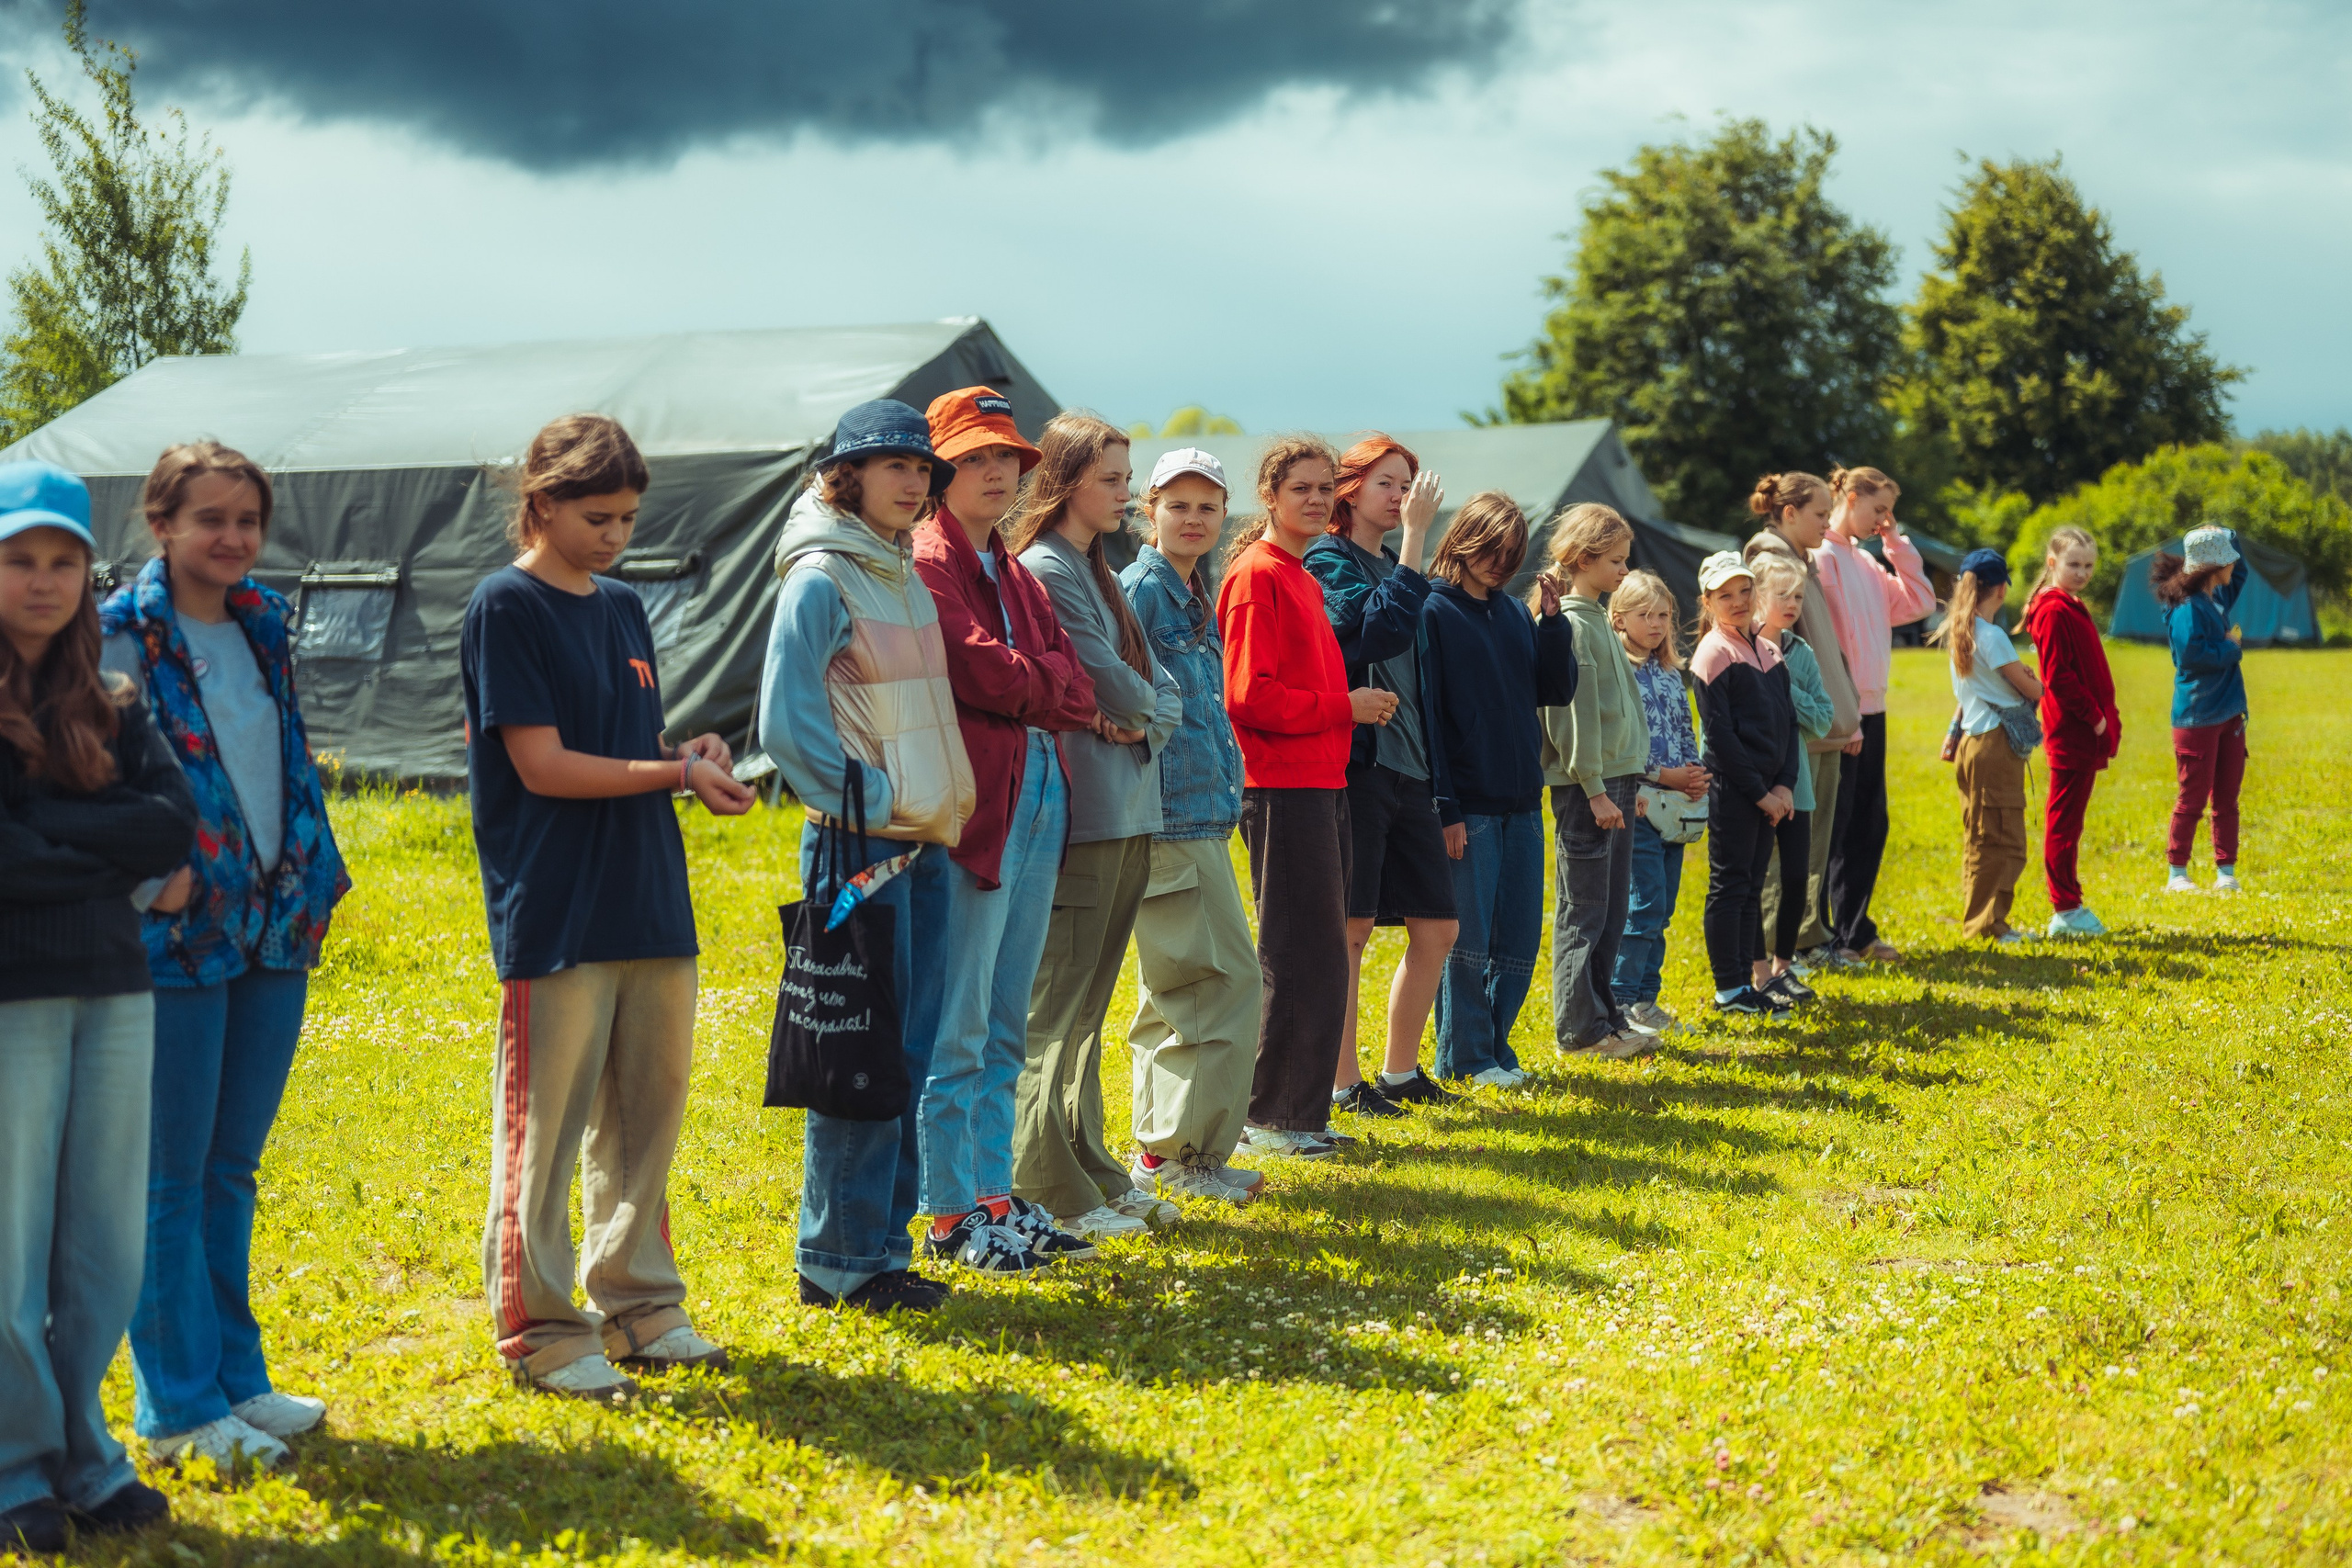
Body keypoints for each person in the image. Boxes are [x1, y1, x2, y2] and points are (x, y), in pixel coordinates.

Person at [462, 414, 753, 1397]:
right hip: (556, 901)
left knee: (647, 1109)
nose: (614, 536)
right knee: (546, 1126)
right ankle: (542, 1329)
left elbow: (627, 739)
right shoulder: (505, 605)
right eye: (596, 516)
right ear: (539, 502)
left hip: (648, 893)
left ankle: (637, 1306)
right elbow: (540, 765)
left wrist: (690, 756)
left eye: (627, 519)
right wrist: (670, 770)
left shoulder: (624, 606)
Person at [96, 445, 351, 1464]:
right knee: (169, 1176)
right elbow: (87, 778)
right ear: (160, 524)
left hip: (275, 925)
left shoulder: (263, 623)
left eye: (248, 518)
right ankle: (178, 1409)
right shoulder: (116, 636)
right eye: (210, 518)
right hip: (175, 937)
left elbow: (278, 753)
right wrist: (147, 877)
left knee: (231, 1169)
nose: (233, 537)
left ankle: (237, 1381)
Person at [1, 463, 195, 1552]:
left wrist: (50, 844)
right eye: (19, 561)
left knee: (103, 1247)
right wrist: (102, 839)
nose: (41, 581)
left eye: (61, 562)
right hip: (11, 998)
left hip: (116, 991)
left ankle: (85, 1454)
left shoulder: (113, 701)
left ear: (87, 573)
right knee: (9, 1246)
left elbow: (171, 827)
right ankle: (13, 1466)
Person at [761, 399, 970, 1314]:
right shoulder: (820, 578)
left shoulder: (899, 571)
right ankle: (835, 1262)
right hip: (858, 850)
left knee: (906, 1053)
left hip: (919, 846)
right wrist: (880, 803)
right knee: (855, 1054)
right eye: (894, 465)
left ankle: (881, 1250)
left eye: (922, 468)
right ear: (848, 474)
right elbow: (785, 724)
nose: (915, 480)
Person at [910, 388, 1100, 1274]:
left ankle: (992, 1192)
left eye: (1009, 459)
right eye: (979, 456)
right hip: (980, 802)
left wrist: (1036, 683)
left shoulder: (1014, 569)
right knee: (960, 1015)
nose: (998, 470)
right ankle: (949, 1212)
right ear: (939, 466)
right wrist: (1041, 684)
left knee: (1004, 1016)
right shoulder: (929, 557)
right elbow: (973, 668)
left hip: (1039, 789)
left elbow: (1075, 678)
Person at [1008, 412, 1184, 1238]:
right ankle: (1046, 1182)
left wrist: (1141, 715)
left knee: (1088, 1010)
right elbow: (1111, 685)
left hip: (1125, 807)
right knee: (1058, 1006)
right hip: (1085, 815)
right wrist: (1139, 709)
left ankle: (1088, 1166)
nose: (1127, 492)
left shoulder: (1096, 564)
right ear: (1068, 479)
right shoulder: (1047, 564)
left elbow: (1157, 689)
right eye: (1112, 478)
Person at [1218, 437, 1397, 1156]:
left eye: (1327, 488)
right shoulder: (1257, 575)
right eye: (1303, 488)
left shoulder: (1300, 574)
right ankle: (1274, 1119)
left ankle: (1302, 1112)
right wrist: (1342, 707)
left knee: (1321, 952)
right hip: (1280, 785)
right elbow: (1246, 695)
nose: (1318, 500)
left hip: (1322, 780)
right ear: (1270, 494)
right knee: (1296, 952)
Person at [1118, 448, 1265, 1203]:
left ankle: (1162, 1147)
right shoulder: (1143, 592)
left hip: (1200, 813)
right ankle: (1188, 1155)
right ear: (1150, 510)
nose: (1194, 518)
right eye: (1179, 505)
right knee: (1222, 983)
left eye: (1208, 506)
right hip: (1171, 818)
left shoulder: (1190, 591)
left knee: (1172, 991)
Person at [1302, 435, 1457, 1116]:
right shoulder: (1328, 559)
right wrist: (1420, 538)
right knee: (1353, 927)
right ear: (1350, 488)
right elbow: (1373, 634)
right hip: (1360, 766)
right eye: (1388, 484)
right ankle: (1342, 1082)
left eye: (1407, 487)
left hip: (1412, 768)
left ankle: (1399, 1071)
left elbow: (1421, 675)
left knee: (1438, 925)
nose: (1400, 498)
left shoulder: (1395, 562)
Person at [1419, 492, 1576, 1085]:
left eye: (1510, 555)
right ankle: (1465, 1057)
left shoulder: (1514, 614)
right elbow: (1431, 714)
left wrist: (1553, 622)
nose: (1498, 564)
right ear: (1463, 539)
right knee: (1467, 942)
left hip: (1521, 802)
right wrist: (1446, 806)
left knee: (1517, 938)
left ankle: (1495, 1051)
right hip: (1470, 806)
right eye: (1489, 550)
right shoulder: (1433, 611)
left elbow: (1554, 690)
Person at [1540, 503, 1654, 1058]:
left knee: (1610, 908)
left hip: (1616, 783)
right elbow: (1570, 714)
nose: (1624, 572)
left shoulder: (1597, 619)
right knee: (1584, 909)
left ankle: (1604, 1018)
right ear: (1583, 559)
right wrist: (1594, 788)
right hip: (1593, 789)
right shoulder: (1572, 624)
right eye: (1615, 561)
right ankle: (1579, 1031)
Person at [1811, 466, 1935, 963]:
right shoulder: (1823, 556)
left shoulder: (1866, 563)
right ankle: (1818, 936)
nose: (1884, 519)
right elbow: (1831, 638)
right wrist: (1844, 711)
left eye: (1889, 512)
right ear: (1850, 495)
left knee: (1868, 823)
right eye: (1878, 509)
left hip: (1873, 708)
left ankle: (1855, 932)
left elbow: (1920, 602)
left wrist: (1895, 543)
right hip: (1840, 712)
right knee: (1833, 826)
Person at [1742, 473, 1861, 970]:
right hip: (1802, 739)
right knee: (1791, 852)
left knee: (1814, 846)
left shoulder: (1798, 562)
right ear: (1788, 513)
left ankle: (1807, 939)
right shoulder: (1770, 563)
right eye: (1819, 513)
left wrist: (1845, 717)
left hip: (1825, 733)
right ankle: (1785, 948)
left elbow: (1820, 654)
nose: (1826, 524)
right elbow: (1778, 657)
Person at [1689, 552, 1799, 1018]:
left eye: (1744, 591)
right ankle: (1728, 988)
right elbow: (1721, 738)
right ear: (1708, 601)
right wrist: (1760, 793)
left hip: (1771, 792)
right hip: (1737, 793)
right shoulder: (1712, 654)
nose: (1737, 601)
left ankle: (1746, 984)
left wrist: (1786, 785)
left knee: (1752, 885)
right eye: (1724, 595)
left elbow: (1789, 724)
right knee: (1730, 886)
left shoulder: (1770, 649)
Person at [1607, 570, 1709, 1032]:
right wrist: (1662, 774)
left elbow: (1686, 728)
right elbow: (1619, 741)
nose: (1655, 624)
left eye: (1663, 615)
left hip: (1676, 809)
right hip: (1641, 803)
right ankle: (1624, 998)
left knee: (1663, 905)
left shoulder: (1669, 672)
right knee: (1643, 902)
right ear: (1619, 618)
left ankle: (1647, 997)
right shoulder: (1618, 670)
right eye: (1644, 615)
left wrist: (1693, 774)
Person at [1932, 550, 2042, 941]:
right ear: (2000, 588)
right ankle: (1984, 926)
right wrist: (2034, 680)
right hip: (1993, 743)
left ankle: (1992, 920)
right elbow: (2031, 689)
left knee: (1984, 834)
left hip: (1973, 742)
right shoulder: (1992, 635)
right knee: (1996, 835)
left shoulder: (1961, 631)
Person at [2018, 527, 2120, 936]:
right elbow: (2058, 675)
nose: (2082, 572)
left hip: (2086, 728)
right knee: (2063, 820)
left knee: (2072, 819)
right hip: (2073, 729)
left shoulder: (2071, 604)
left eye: (2089, 565)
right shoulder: (2053, 609)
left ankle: (2070, 902)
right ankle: (2066, 908)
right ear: (2052, 563)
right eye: (2073, 564)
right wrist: (2094, 717)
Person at [1747, 557, 1827, 1005]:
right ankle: (1757, 970)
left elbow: (1822, 717)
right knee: (1755, 878)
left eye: (1798, 596)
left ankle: (1783, 965)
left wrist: (1783, 686)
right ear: (1759, 596)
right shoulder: (1740, 648)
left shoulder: (1802, 653)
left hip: (1797, 784)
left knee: (1798, 876)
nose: (1793, 604)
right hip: (1755, 785)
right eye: (1783, 595)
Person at [2153, 526, 2249, 894]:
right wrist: (2233, 647)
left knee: (2227, 796)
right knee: (2193, 796)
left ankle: (2226, 872)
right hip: (2197, 716)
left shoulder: (2216, 597)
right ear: (2212, 567)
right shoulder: (2188, 608)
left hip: (2229, 713)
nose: (2234, 562)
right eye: (2228, 556)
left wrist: (2229, 533)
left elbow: (2240, 572)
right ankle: (2177, 873)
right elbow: (2192, 658)